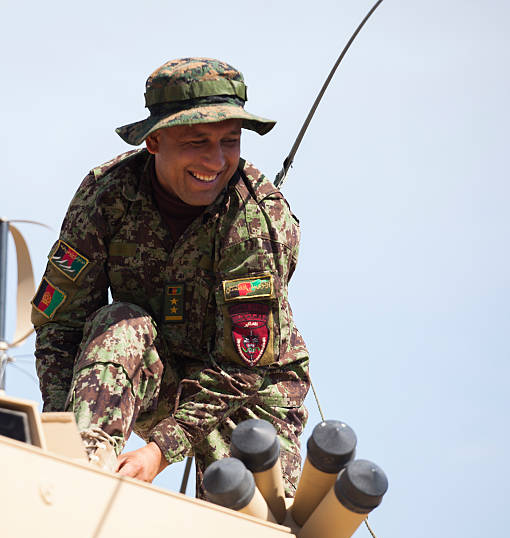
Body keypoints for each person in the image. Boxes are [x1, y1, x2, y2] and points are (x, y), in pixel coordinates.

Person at [31, 57, 310, 498]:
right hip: (154, 368)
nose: (215, 160)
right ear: (154, 141)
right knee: (118, 323)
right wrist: (59, 430)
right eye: (197, 141)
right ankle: (83, 470)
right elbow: (60, 326)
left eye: (230, 141)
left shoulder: (257, 220)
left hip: (248, 393)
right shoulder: (106, 196)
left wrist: (159, 451)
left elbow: (242, 366)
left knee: (243, 520)